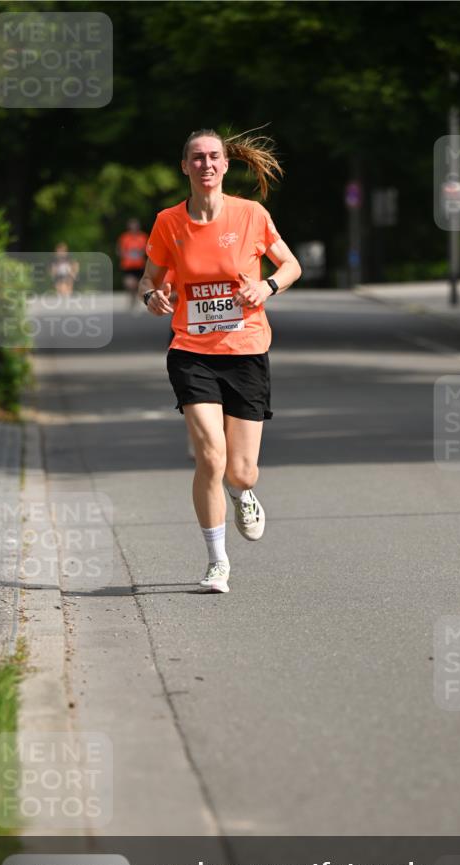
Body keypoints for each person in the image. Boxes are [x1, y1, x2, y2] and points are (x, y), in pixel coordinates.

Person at [139, 128, 301, 593]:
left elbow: (291, 265)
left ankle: (241, 491)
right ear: (184, 166)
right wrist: (152, 296)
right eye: (197, 157)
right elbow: (149, 278)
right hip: (191, 351)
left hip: (246, 350)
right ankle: (217, 562)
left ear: (226, 165)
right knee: (210, 455)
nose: (206, 164)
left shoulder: (251, 214)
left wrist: (267, 286)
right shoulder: (169, 222)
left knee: (240, 470)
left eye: (214, 156)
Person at [116, 219, 148, 309]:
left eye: (135, 226)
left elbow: (147, 250)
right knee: (129, 284)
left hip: (140, 265)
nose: (134, 228)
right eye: (132, 226)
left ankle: (135, 299)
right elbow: (119, 250)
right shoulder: (124, 237)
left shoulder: (143, 237)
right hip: (128, 265)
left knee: (138, 285)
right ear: (129, 227)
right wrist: (125, 255)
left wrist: (140, 253)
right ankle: (131, 298)